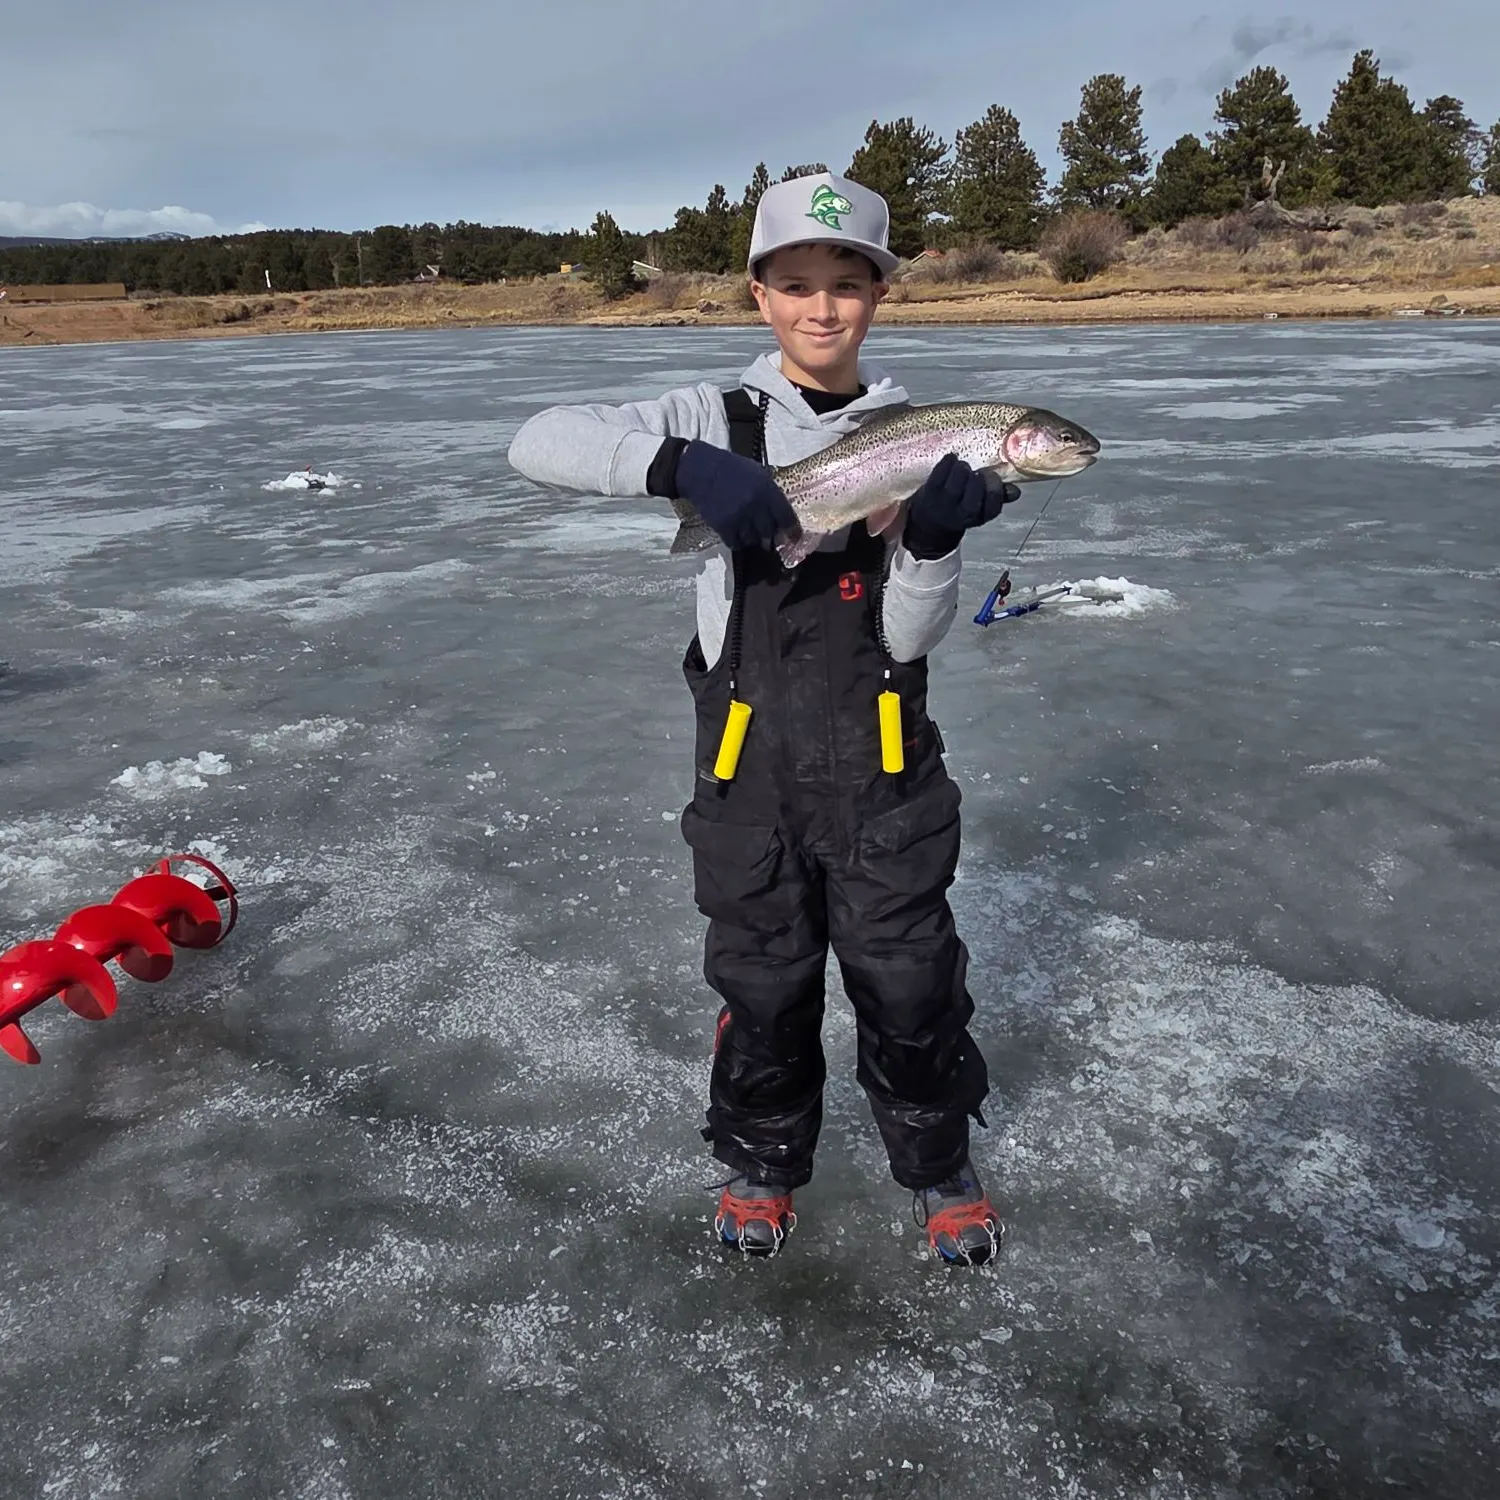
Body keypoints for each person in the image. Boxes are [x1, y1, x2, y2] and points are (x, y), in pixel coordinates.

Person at [507, 171, 1017, 1265]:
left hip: (887, 770)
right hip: (748, 775)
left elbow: (913, 637)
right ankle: (761, 1159)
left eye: (847, 284)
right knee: (763, 976)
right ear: (759, 294)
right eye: (797, 285)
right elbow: (537, 442)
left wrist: (927, 543)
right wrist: (678, 464)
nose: (822, 308)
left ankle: (936, 1164)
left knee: (910, 978)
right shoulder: (710, 415)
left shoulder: (923, 433)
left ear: (879, 294)